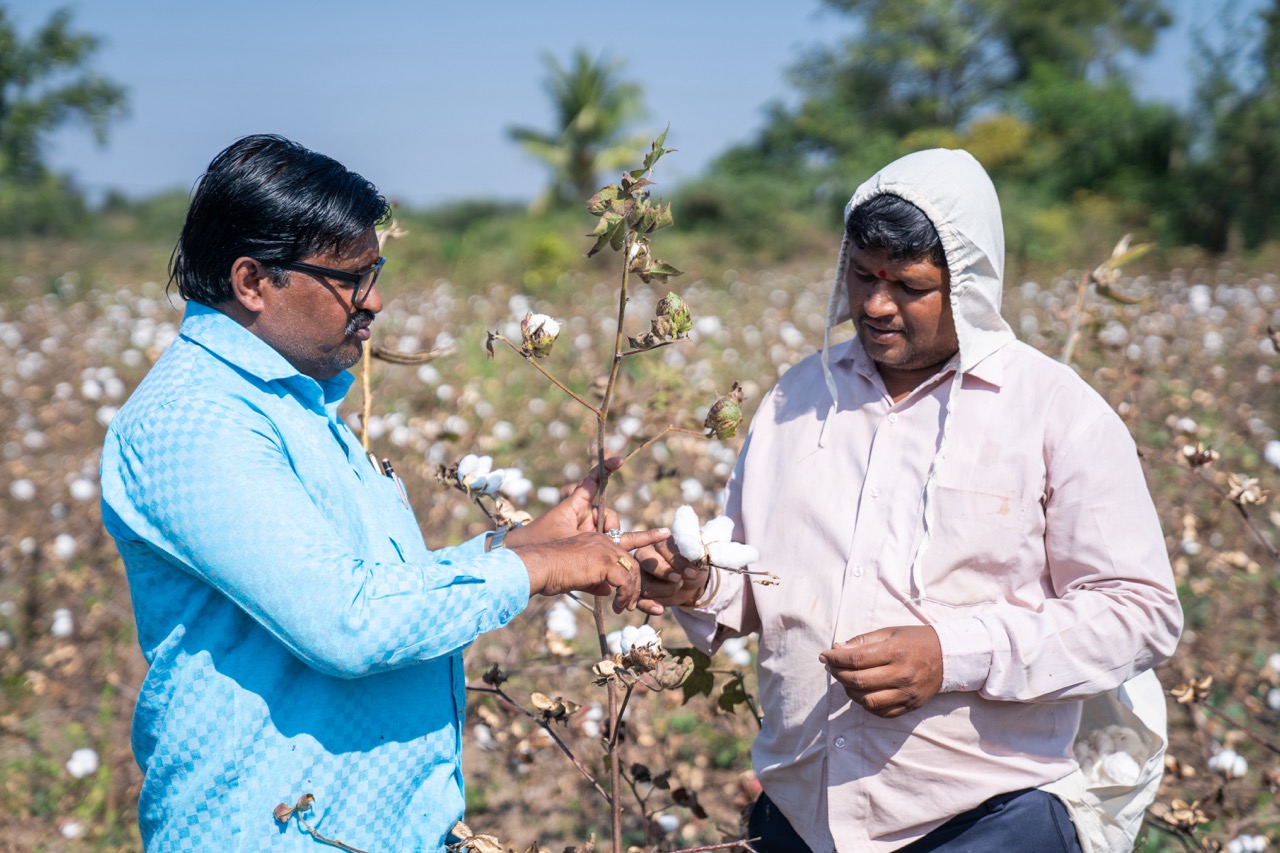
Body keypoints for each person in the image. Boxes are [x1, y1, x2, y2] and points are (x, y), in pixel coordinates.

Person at [99, 134, 666, 852]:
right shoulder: (194, 421)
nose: (376, 300)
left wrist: (519, 544)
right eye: (352, 278)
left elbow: (370, 586)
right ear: (252, 282)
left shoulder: (295, 409)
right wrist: (538, 569)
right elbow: (348, 620)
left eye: (377, 270)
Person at [639, 149, 1182, 852]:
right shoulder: (796, 399)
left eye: (909, 286)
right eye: (862, 275)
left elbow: (1139, 612)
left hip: (988, 818)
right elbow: (753, 581)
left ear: (970, 288)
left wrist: (948, 655)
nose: (874, 304)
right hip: (803, 813)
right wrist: (696, 583)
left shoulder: (1057, 413)